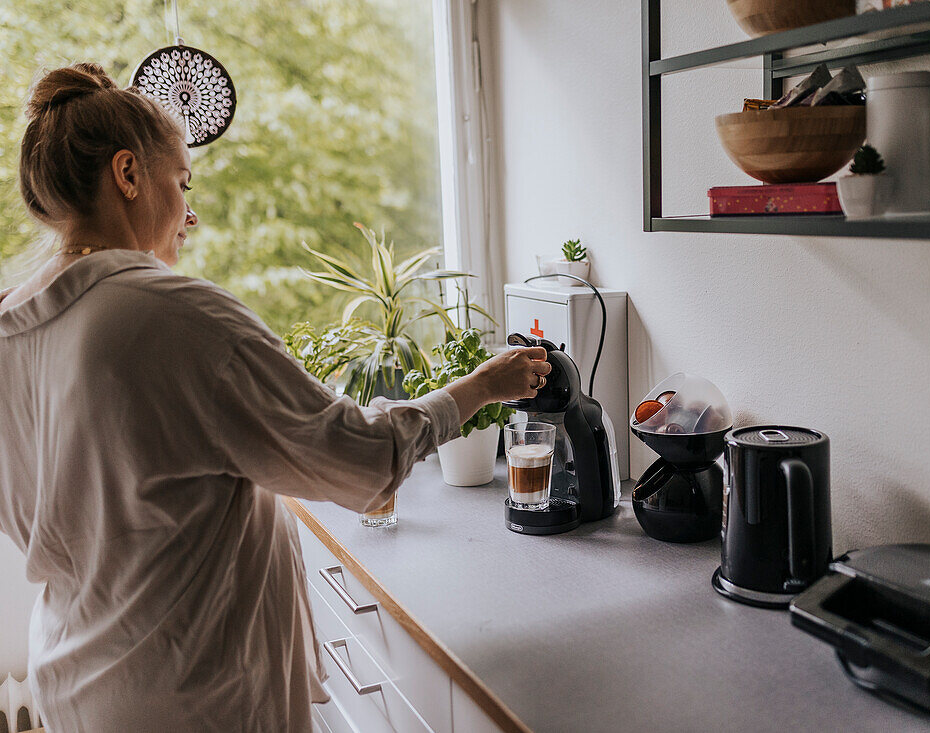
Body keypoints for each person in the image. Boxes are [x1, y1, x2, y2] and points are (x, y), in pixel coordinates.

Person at [0, 62, 551, 731]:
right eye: (182, 182)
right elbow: (363, 458)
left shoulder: (12, 324)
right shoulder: (168, 314)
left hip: (75, 683)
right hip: (192, 700)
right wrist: (483, 385)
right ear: (127, 174)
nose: (191, 213)